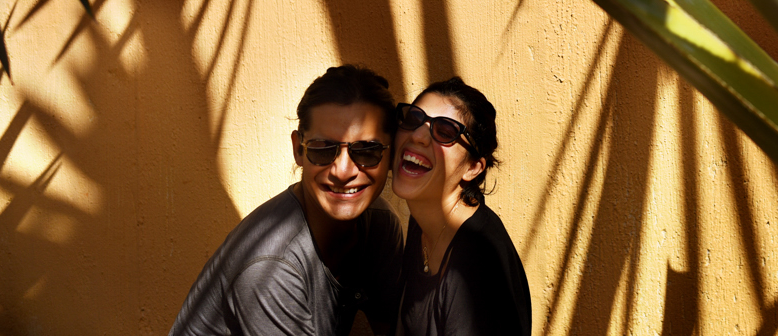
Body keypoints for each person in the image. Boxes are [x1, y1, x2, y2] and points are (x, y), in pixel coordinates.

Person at [169, 65, 404, 336]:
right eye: (323, 149)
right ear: (298, 149)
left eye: (366, 151)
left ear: (391, 154)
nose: (343, 171)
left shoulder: (379, 225)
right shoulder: (271, 267)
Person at [393, 77, 531, 336]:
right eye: (413, 119)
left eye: (445, 132)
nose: (418, 135)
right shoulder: (424, 218)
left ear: (472, 167)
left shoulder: (476, 265)